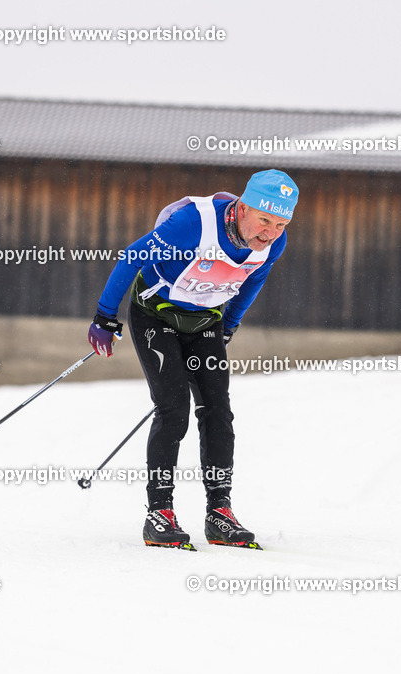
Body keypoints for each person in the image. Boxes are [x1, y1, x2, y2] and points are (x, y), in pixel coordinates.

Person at [87, 169, 298, 550]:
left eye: (281, 224)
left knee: (218, 410)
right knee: (173, 407)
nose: (270, 232)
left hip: (205, 320)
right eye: (265, 220)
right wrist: (105, 315)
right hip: (156, 312)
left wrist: (230, 324)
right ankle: (160, 513)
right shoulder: (193, 224)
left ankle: (220, 513)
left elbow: (253, 280)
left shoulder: (272, 245)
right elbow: (133, 257)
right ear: (243, 206)